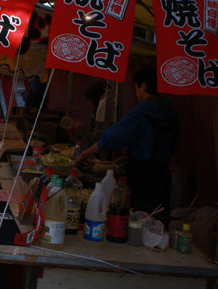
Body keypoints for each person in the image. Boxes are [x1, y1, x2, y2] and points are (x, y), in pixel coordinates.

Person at [75, 68, 180, 217]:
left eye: (136, 87)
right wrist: (132, 158)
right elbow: (168, 143)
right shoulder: (171, 112)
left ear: (143, 86)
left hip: (142, 180)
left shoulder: (141, 112)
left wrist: (85, 153)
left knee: (138, 221)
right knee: (158, 222)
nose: (136, 92)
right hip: (163, 178)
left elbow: (110, 138)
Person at [69, 80, 107, 145]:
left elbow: (95, 139)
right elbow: (91, 136)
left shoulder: (102, 115)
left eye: (89, 100)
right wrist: (77, 131)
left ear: (95, 99)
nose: (88, 103)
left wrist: (78, 127)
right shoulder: (97, 113)